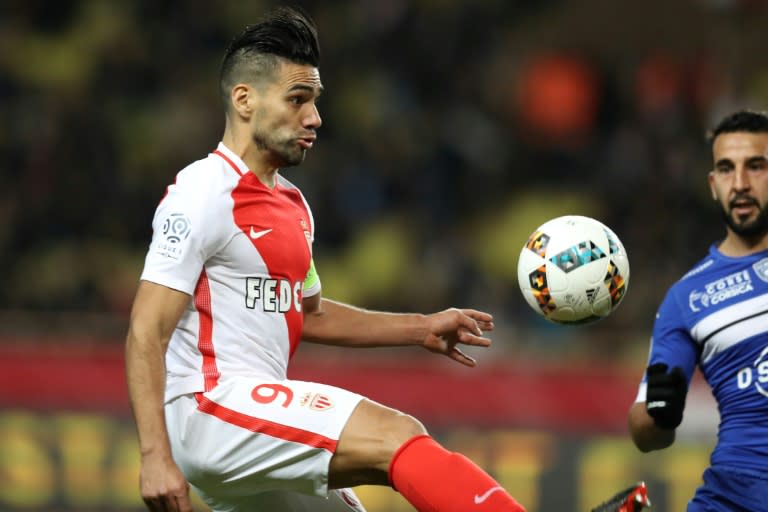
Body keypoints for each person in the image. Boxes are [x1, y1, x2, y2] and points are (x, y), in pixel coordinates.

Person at [124, 7, 526, 512]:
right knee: (396, 435)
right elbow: (146, 330)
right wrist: (154, 454)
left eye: (314, 101)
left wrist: (419, 328)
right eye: (298, 99)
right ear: (244, 100)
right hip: (211, 409)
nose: (314, 117)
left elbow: (308, 313)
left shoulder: (293, 205)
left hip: (249, 422)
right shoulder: (201, 193)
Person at [628, 109, 768, 511]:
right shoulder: (687, 298)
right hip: (732, 498)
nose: (739, 183)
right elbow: (644, 431)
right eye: (726, 169)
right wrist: (660, 410)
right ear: (712, 184)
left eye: (755, 166)